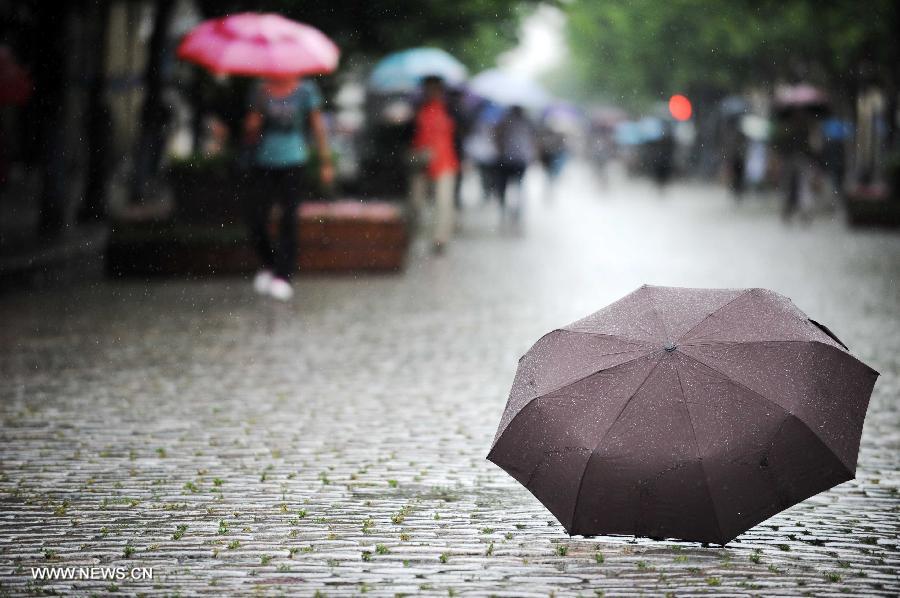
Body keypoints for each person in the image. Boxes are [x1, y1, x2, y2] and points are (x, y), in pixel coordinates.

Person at [242, 75, 333, 300]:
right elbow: (251, 130)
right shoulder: (261, 89)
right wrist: (253, 123)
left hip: (293, 160)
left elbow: (317, 125)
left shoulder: (305, 91)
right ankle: (270, 263)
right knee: (257, 217)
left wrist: (325, 161)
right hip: (264, 160)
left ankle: (284, 274)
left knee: (289, 218)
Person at [409, 75, 459, 253]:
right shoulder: (418, 109)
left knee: (443, 203)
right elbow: (411, 135)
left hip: (445, 162)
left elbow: (460, 134)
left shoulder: (451, 109)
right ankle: (415, 235)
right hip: (421, 161)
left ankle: (440, 239)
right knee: (416, 202)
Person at [494, 105, 536, 220]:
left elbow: (497, 137)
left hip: (506, 159)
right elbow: (533, 141)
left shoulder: (504, 120)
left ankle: (503, 211)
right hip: (521, 160)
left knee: (504, 187)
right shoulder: (528, 122)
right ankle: (517, 214)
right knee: (519, 187)